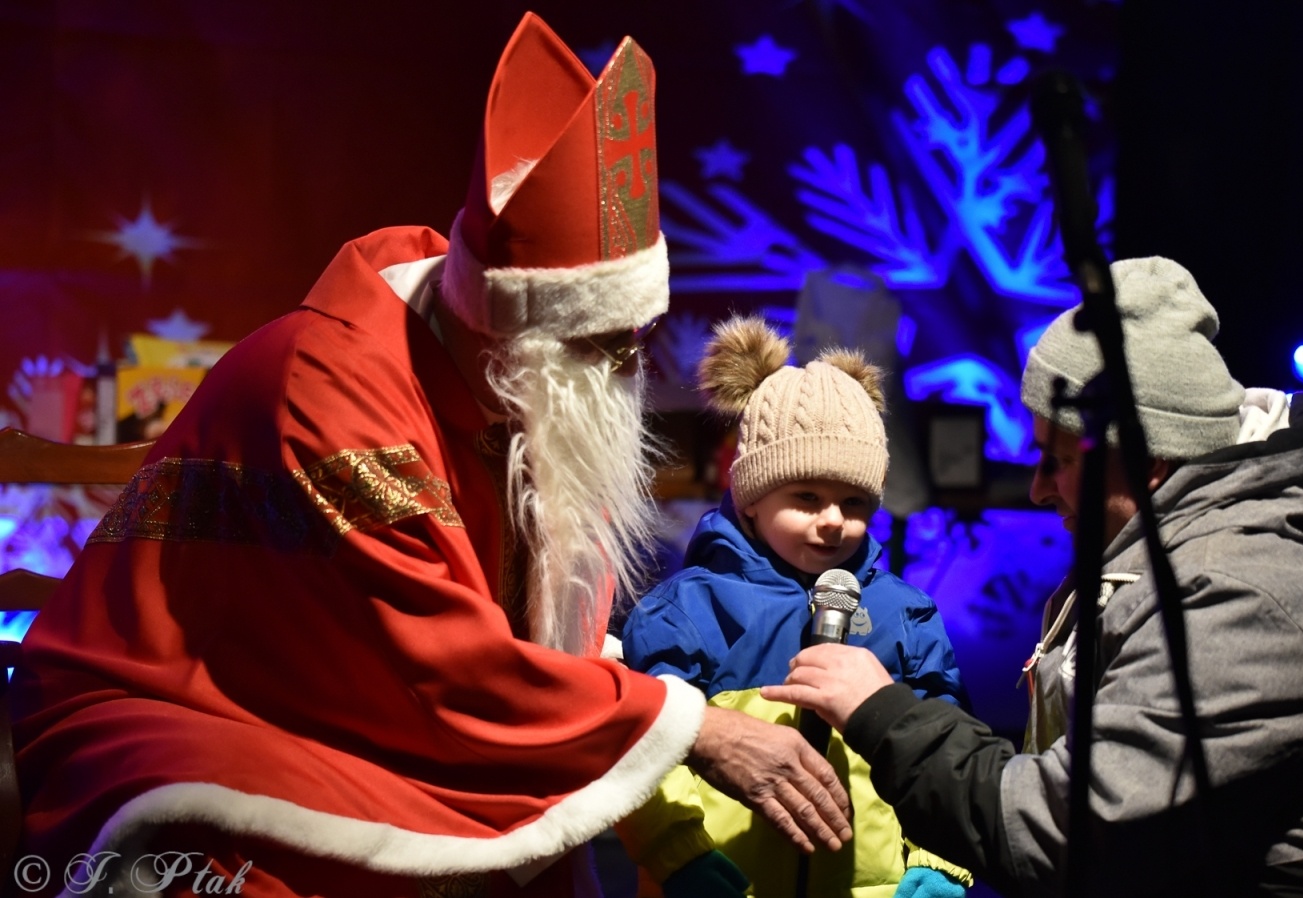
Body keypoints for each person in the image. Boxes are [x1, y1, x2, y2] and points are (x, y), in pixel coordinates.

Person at [13, 14, 850, 898]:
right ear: (526, 341)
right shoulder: (333, 391)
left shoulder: (499, 367)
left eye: (635, 340)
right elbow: (441, 665)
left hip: (352, 696)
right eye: (606, 347)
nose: (628, 373)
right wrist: (697, 729)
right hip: (206, 705)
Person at [765, 257, 1303, 897]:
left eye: (1056, 460)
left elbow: (1063, 836)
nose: (1036, 489)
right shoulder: (1163, 555)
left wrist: (883, 715)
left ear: (1149, 461)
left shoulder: (1240, 598)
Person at [615, 317, 972, 898]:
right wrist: (679, 858)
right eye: (806, 496)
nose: (833, 520)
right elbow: (644, 745)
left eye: (854, 501)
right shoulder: (686, 608)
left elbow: (947, 748)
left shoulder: (906, 616)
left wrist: (937, 865)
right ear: (752, 497)